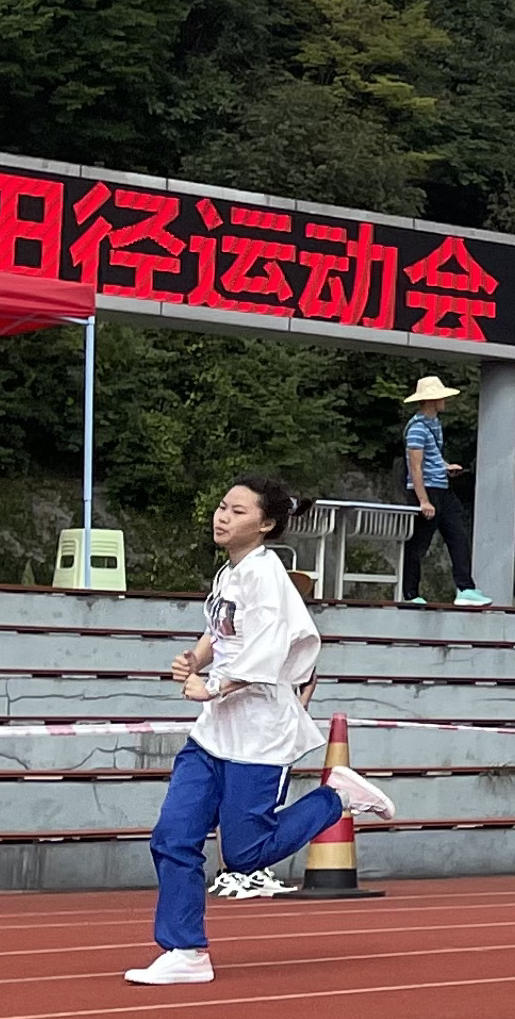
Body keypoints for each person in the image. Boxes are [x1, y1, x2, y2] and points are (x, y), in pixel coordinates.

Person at [125, 477, 399, 986]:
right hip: (214, 735)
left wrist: (212, 685)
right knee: (172, 836)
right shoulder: (232, 572)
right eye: (221, 506)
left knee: (246, 854)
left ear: (266, 524)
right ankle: (185, 950)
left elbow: (267, 652)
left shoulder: (267, 576)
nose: (221, 516)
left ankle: (335, 797)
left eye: (236, 510)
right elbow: (223, 628)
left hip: (259, 733)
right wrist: (196, 657)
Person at [396, 375, 487, 608]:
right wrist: (423, 500)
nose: (444, 401)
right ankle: (409, 593)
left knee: (458, 535)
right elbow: (414, 466)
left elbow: (430, 457)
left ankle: (466, 588)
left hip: (442, 487)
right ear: (432, 400)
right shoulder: (416, 428)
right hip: (426, 491)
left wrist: (445, 467)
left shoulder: (433, 423)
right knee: (418, 543)